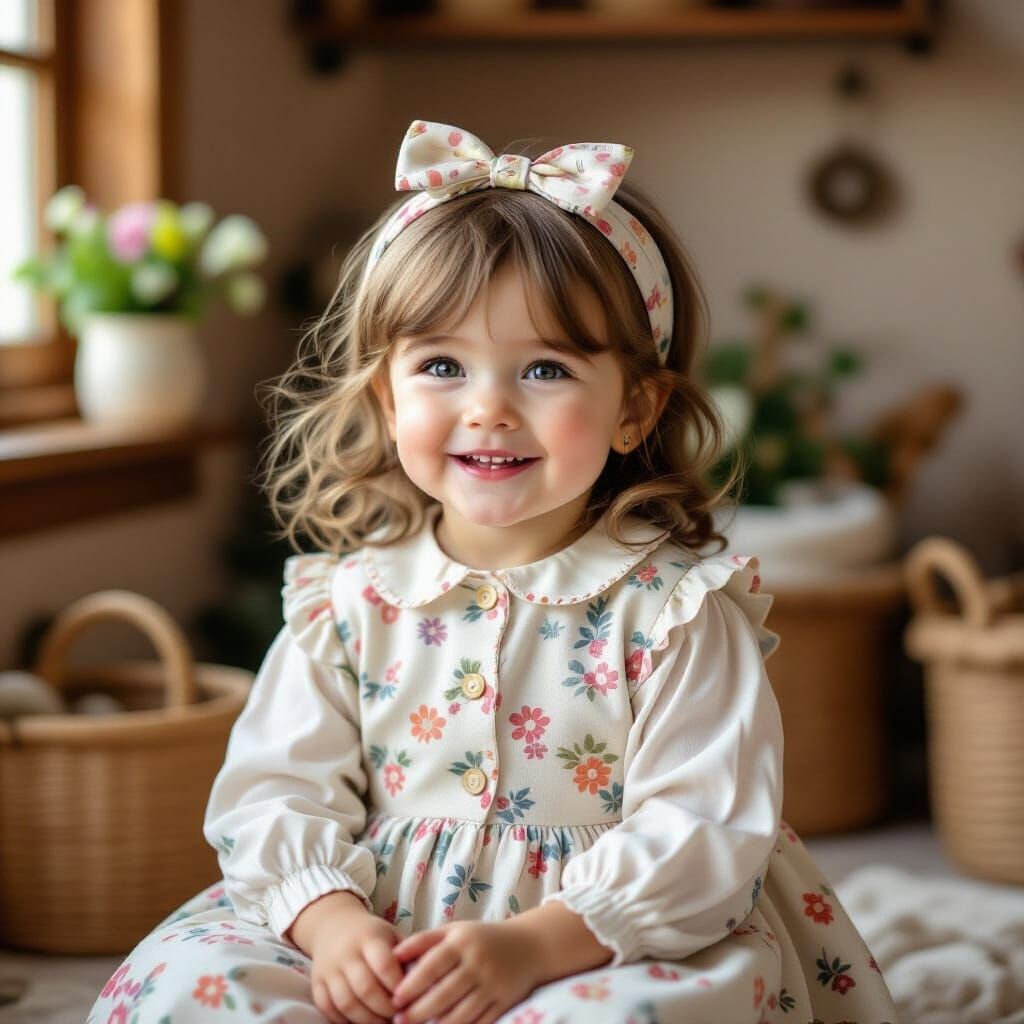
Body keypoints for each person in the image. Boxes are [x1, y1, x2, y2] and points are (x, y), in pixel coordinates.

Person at [87, 119, 899, 1024]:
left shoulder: (673, 612)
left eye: (546, 368)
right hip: (377, 931)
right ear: (389, 397)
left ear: (634, 409)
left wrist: (535, 946)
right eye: (441, 365)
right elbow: (276, 790)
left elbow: (705, 830)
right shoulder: (348, 603)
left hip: (605, 938)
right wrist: (331, 925)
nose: (489, 410)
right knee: (192, 988)